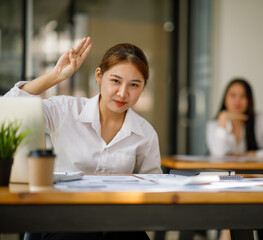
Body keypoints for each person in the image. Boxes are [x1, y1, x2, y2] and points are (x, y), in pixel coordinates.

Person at [5, 37, 161, 239]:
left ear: (143, 87)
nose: (123, 93)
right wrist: (55, 76)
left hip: (116, 222)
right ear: (99, 76)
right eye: (115, 81)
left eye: (134, 84)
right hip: (62, 219)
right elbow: (9, 107)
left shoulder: (145, 133)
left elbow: (156, 189)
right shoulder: (65, 110)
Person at [206, 78, 263, 159]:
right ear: (225, 98)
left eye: (243, 96)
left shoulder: (261, 120)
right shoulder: (214, 125)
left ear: (249, 100)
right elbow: (218, 155)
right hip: (226, 171)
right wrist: (222, 120)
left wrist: (255, 155)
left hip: (254, 170)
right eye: (233, 95)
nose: (237, 101)